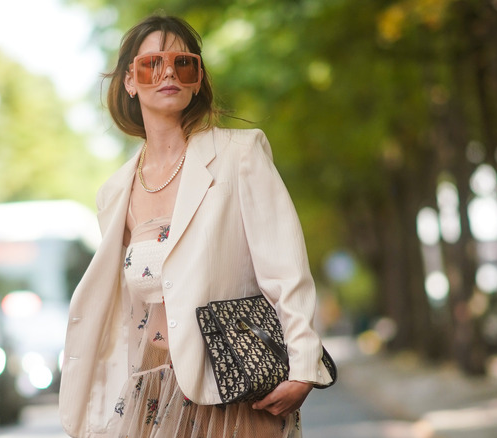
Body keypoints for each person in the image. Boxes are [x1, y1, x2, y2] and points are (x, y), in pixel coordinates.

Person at [58, 14, 333, 438]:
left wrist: (302, 367)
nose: (168, 72)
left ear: (197, 78)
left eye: (182, 63)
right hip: (151, 391)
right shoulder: (115, 192)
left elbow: (286, 270)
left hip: (234, 387)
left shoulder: (239, 155)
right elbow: (128, 311)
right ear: (130, 80)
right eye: (152, 64)